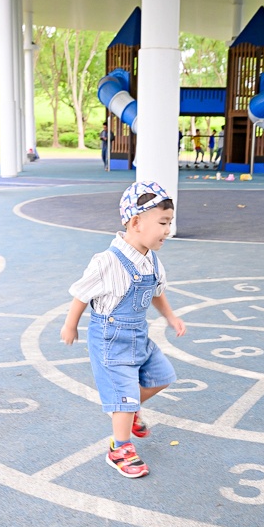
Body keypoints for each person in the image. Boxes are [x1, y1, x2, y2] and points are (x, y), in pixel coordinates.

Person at [61, 181, 187, 479]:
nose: (168, 230)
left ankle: (128, 413)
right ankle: (120, 448)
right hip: (111, 339)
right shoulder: (107, 262)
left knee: (162, 377)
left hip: (139, 336)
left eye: (169, 222)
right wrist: (70, 325)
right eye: (163, 223)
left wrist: (170, 316)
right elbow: (82, 294)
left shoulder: (152, 260)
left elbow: (156, 291)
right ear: (135, 222)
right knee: (124, 396)